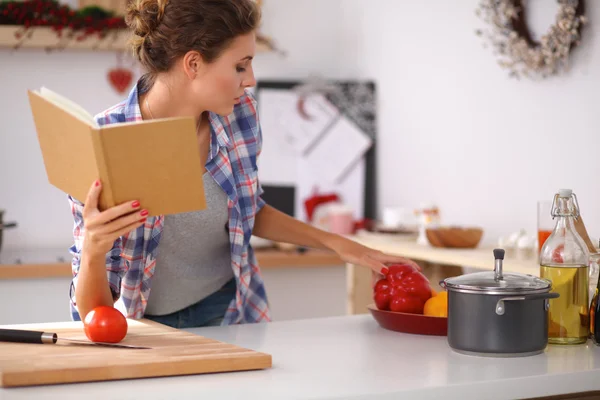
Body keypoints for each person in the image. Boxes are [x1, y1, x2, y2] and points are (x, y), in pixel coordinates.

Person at [67, 0, 419, 329]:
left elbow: (249, 210)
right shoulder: (106, 141)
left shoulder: (239, 115)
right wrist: (93, 248)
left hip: (230, 310)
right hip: (147, 329)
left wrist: (343, 245)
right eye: (240, 66)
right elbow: (91, 313)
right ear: (193, 64)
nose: (250, 80)